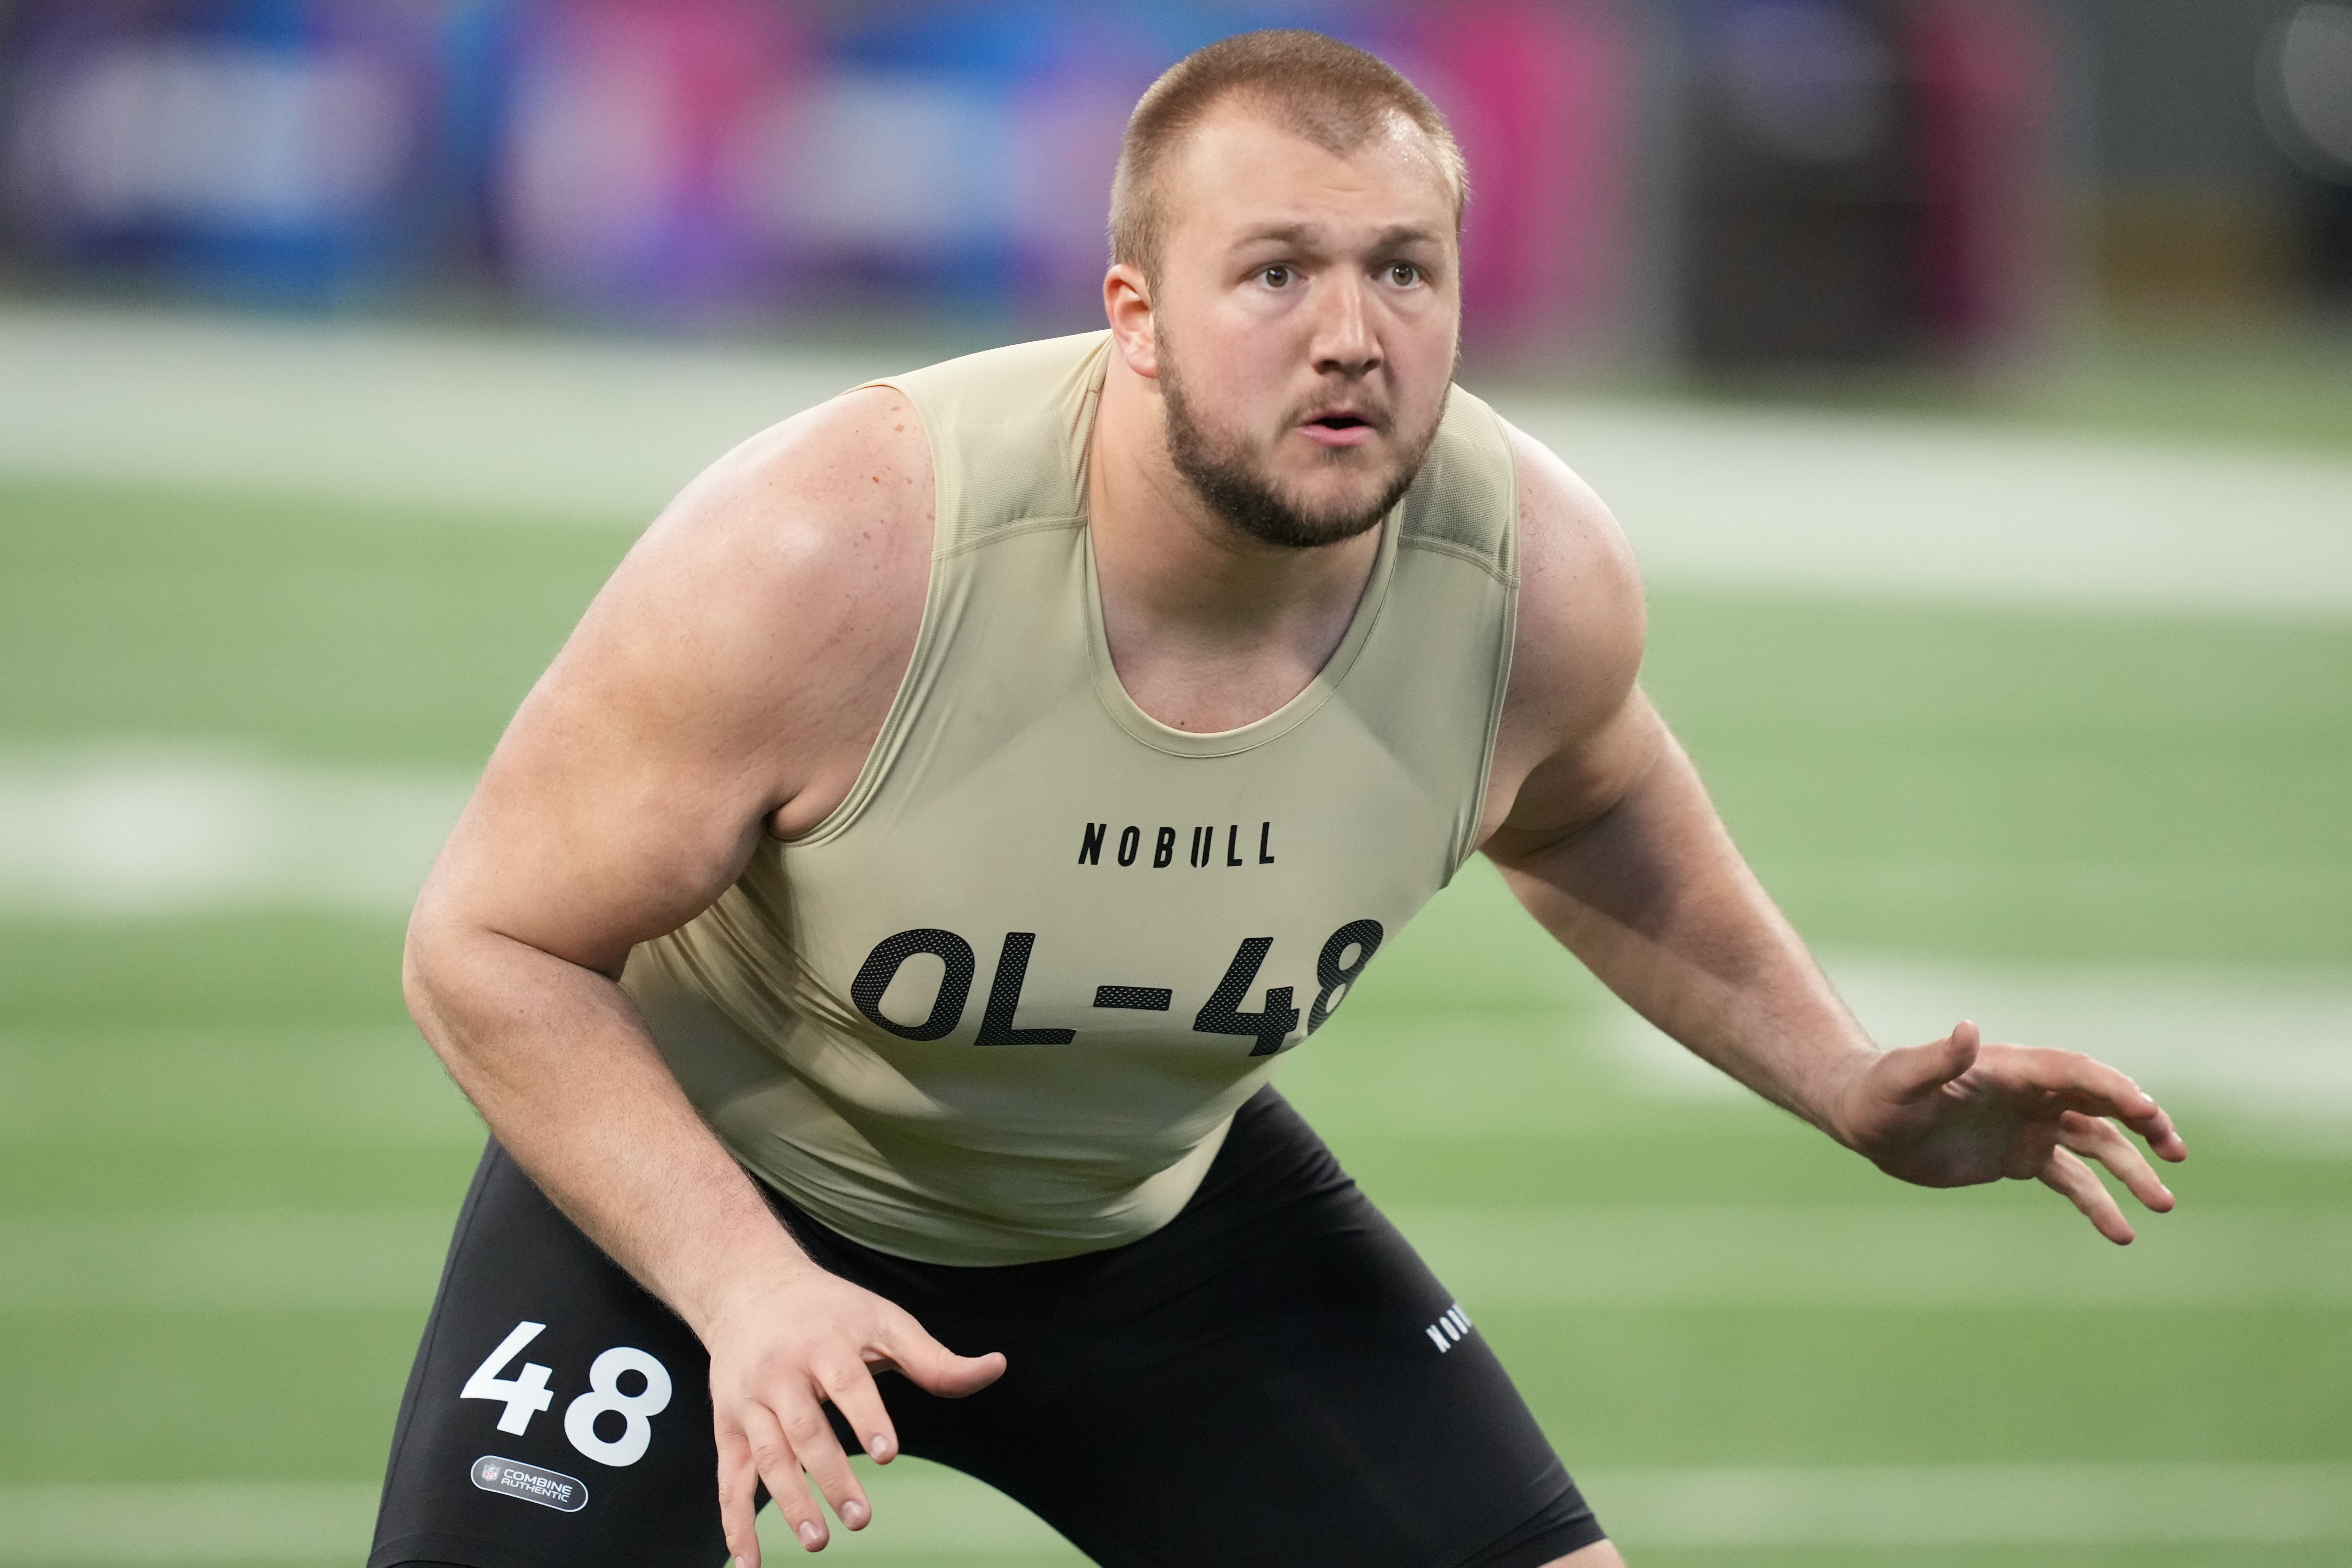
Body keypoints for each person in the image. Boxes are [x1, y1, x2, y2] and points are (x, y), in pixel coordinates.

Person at [371, 29, 2185, 1568]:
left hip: (1153, 1222)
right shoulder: (834, 551)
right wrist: (743, 1287)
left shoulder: (1525, 570)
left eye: (1403, 270)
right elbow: (491, 941)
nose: (1351, 336)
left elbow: (1583, 802)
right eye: (1276, 274)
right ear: (1134, 318)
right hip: (722, 1196)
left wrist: (1843, 1078)